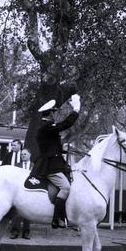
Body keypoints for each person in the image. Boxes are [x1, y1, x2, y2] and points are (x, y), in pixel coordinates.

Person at [32, 93, 81, 228]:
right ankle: (56, 219)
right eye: (54, 112)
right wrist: (76, 109)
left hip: (56, 164)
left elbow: (51, 147)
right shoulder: (46, 128)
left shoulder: (47, 128)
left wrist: (62, 149)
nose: (55, 115)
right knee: (66, 188)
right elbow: (67, 123)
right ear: (50, 114)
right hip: (51, 166)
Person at [10, 148, 32, 239]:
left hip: (30, 191)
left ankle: (26, 233)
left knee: (28, 213)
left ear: (30, 155)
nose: (23, 156)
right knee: (17, 212)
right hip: (19, 192)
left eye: (25, 154)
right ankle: (15, 232)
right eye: (22, 154)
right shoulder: (16, 166)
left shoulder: (34, 166)